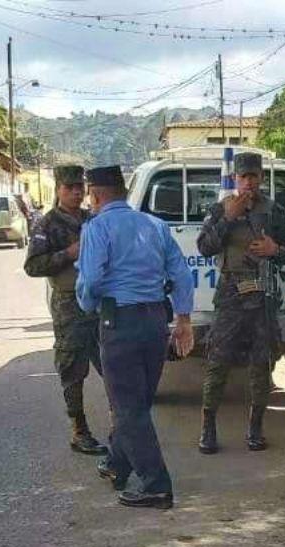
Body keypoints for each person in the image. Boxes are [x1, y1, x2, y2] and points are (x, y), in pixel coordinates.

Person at [76, 165, 194, 510]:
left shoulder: (96, 227)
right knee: (138, 402)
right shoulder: (155, 226)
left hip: (119, 321)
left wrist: (87, 305)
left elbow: (92, 280)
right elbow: (181, 274)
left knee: (128, 408)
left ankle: (156, 484)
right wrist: (184, 320)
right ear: (123, 192)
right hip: (156, 320)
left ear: (96, 195)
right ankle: (117, 464)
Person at [196, 152, 285, 454]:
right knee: (218, 362)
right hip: (230, 292)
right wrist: (228, 219)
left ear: (261, 178)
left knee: (261, 363)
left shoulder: (273, 211)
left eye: (254, 177)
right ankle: (208, 427)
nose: (249, 183)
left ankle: (255, 428)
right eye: (244, 177)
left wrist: (274, 248)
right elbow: (204, 247)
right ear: (235, 179)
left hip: (263, 294)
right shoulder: (220, 210)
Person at [23, 165, 108, 456]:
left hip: (98, 302)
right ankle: (79, 430)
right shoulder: (47, 225)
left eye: (79, 187)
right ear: (58, 189)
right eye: (69, 186)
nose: (75, 191)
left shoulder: (93, 219)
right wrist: (67, 254)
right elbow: (33, 266)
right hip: (68, 303)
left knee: (111, 363)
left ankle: (121, 426)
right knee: (73, 369)